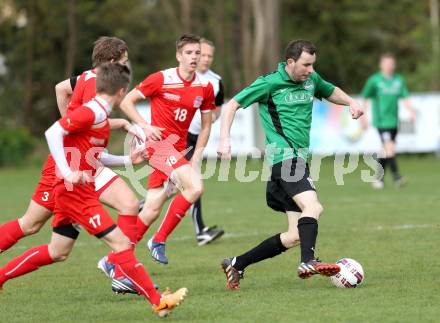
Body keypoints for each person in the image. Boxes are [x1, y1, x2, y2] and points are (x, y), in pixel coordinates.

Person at [217, 39, 364, 290]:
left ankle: (237, 263)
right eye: (306, 65)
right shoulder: (270, 83)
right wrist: (224, 139)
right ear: (290, 62)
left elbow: (330, 90)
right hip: (283, 158)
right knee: (313, 206)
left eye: (312, 65)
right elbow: (232, 105)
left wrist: (351, 101)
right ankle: (308, 261)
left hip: (297, 160)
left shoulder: (311, 79)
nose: (310, 70)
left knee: (295, 234)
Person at [0, 36, 141, 294]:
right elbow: (85, 119)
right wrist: (71, 130)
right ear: (111, 62)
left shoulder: (87, 78)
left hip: (83, 164)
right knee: (30, 225)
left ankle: (121, 272)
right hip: (69, 167)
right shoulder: (93, 84)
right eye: (124, 62)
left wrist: (76, 129)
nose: (126, 67)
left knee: (53, 244)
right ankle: (121, 270)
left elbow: (61, 89)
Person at [120, 34, 216, 264]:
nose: (194, 57)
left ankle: (116, 260)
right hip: (158, 147)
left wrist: (196, 158)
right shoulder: (161, 79)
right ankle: (158, 240)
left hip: (179, 151)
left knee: (151, 208)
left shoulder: (205, 88)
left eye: (197, 53)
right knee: (195, 187)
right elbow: (125, 102)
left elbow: (205, 126)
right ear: (178, 56)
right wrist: (145, 126)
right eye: (189, 53)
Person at [361, 53, 416, 189]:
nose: (389, 66)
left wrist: (411, 110)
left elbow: (405, 96)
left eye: (391, 63)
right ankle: (397, 177)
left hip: (393, 122)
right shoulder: (374, 80)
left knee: (386, 151)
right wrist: (363, 117)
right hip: (381, 122)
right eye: (386, 63)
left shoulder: (398, 80)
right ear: (381, 65)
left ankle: (378, 179)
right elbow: (365, 98)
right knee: (389, 148)